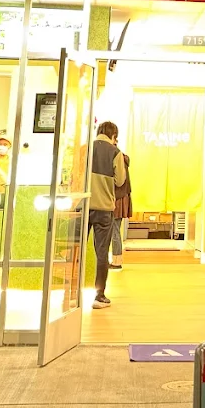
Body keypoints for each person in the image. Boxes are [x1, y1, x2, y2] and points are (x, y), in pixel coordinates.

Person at [88, 120, 127, 309]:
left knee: (75, 250)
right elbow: (120, 181)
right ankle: (99, 296)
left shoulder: (85, 148)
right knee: (102, 253)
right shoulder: (115, 152)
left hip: (84, 205)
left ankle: (69, 293)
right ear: (114, 136)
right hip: (104, 208)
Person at [109, 151, 132, 269]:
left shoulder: (117, 158)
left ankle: (117, 261)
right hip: (122, 198)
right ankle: (116, 259)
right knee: (115, 229)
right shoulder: (123, 159)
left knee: (114, 230)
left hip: (117, 199)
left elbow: (118, 182)